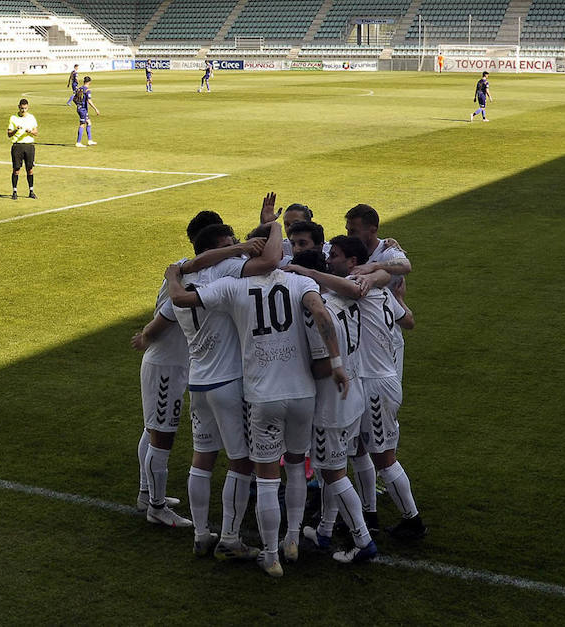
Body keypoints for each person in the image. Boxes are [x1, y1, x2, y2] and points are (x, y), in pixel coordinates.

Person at [167, 220, 349, 578]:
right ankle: (288, 539)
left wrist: (172, 273)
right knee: (286, 465)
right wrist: (338, 362)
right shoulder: (299, 283)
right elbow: (321, 311)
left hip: (221, 386)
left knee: (227, 466)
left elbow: (181, 298)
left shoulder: (227, 286)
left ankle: (251, 547)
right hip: (292, 390)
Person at [133, 212, 281, 550]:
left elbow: (172, 303)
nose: (237, 249)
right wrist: (145, 337)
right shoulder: (219, 276)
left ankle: (160, 503)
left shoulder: (182, 274)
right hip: (185, 370)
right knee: (226, 457)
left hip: (196, 377)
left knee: (188, 448)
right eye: (230, 245)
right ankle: (162, 508)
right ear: (215, 247)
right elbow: (164, 317)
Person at [324, 234, 423, 540]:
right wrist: (391, 286)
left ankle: (413, 520)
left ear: (353, 263)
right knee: (359, 451)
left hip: (376, 385)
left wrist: (307, 272)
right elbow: (406, 319)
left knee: (384, 458)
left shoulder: (358, 285)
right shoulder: (377, 287)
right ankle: (369, 513)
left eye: (335, 256)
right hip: (375, 379)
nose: (330, 260)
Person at [287, 248, 383, 564]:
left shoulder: (316, 313)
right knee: (336, 467)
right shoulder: (344, 299)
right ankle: (326, 531)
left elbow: (325, 365)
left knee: (333, 473)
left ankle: (362, 540)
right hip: (352, 397)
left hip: (332, 404)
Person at [6, 98, 38, 199]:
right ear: (19, 107)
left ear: (27, 107)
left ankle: (31, 191)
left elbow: (36, 132)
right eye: (22, 108)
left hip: (29, 146)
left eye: (25, 108)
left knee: (30, 169)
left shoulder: (31, 118)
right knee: (16, 169)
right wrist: (16, 130)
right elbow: (9, 134)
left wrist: (30, 132)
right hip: (17, 146)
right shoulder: (13, 118)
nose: (23, 110)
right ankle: (14, 191)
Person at [73, 75, 100, 147]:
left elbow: (74, 99)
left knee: (89, 123)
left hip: (80, 109)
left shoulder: (79, 89)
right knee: (82, 124)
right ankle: (78, 142)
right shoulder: (87, 90)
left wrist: (78, 105)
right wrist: (95, 109)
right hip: (83, 110)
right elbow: (89, 101)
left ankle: (90, 140)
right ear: (89, 82)